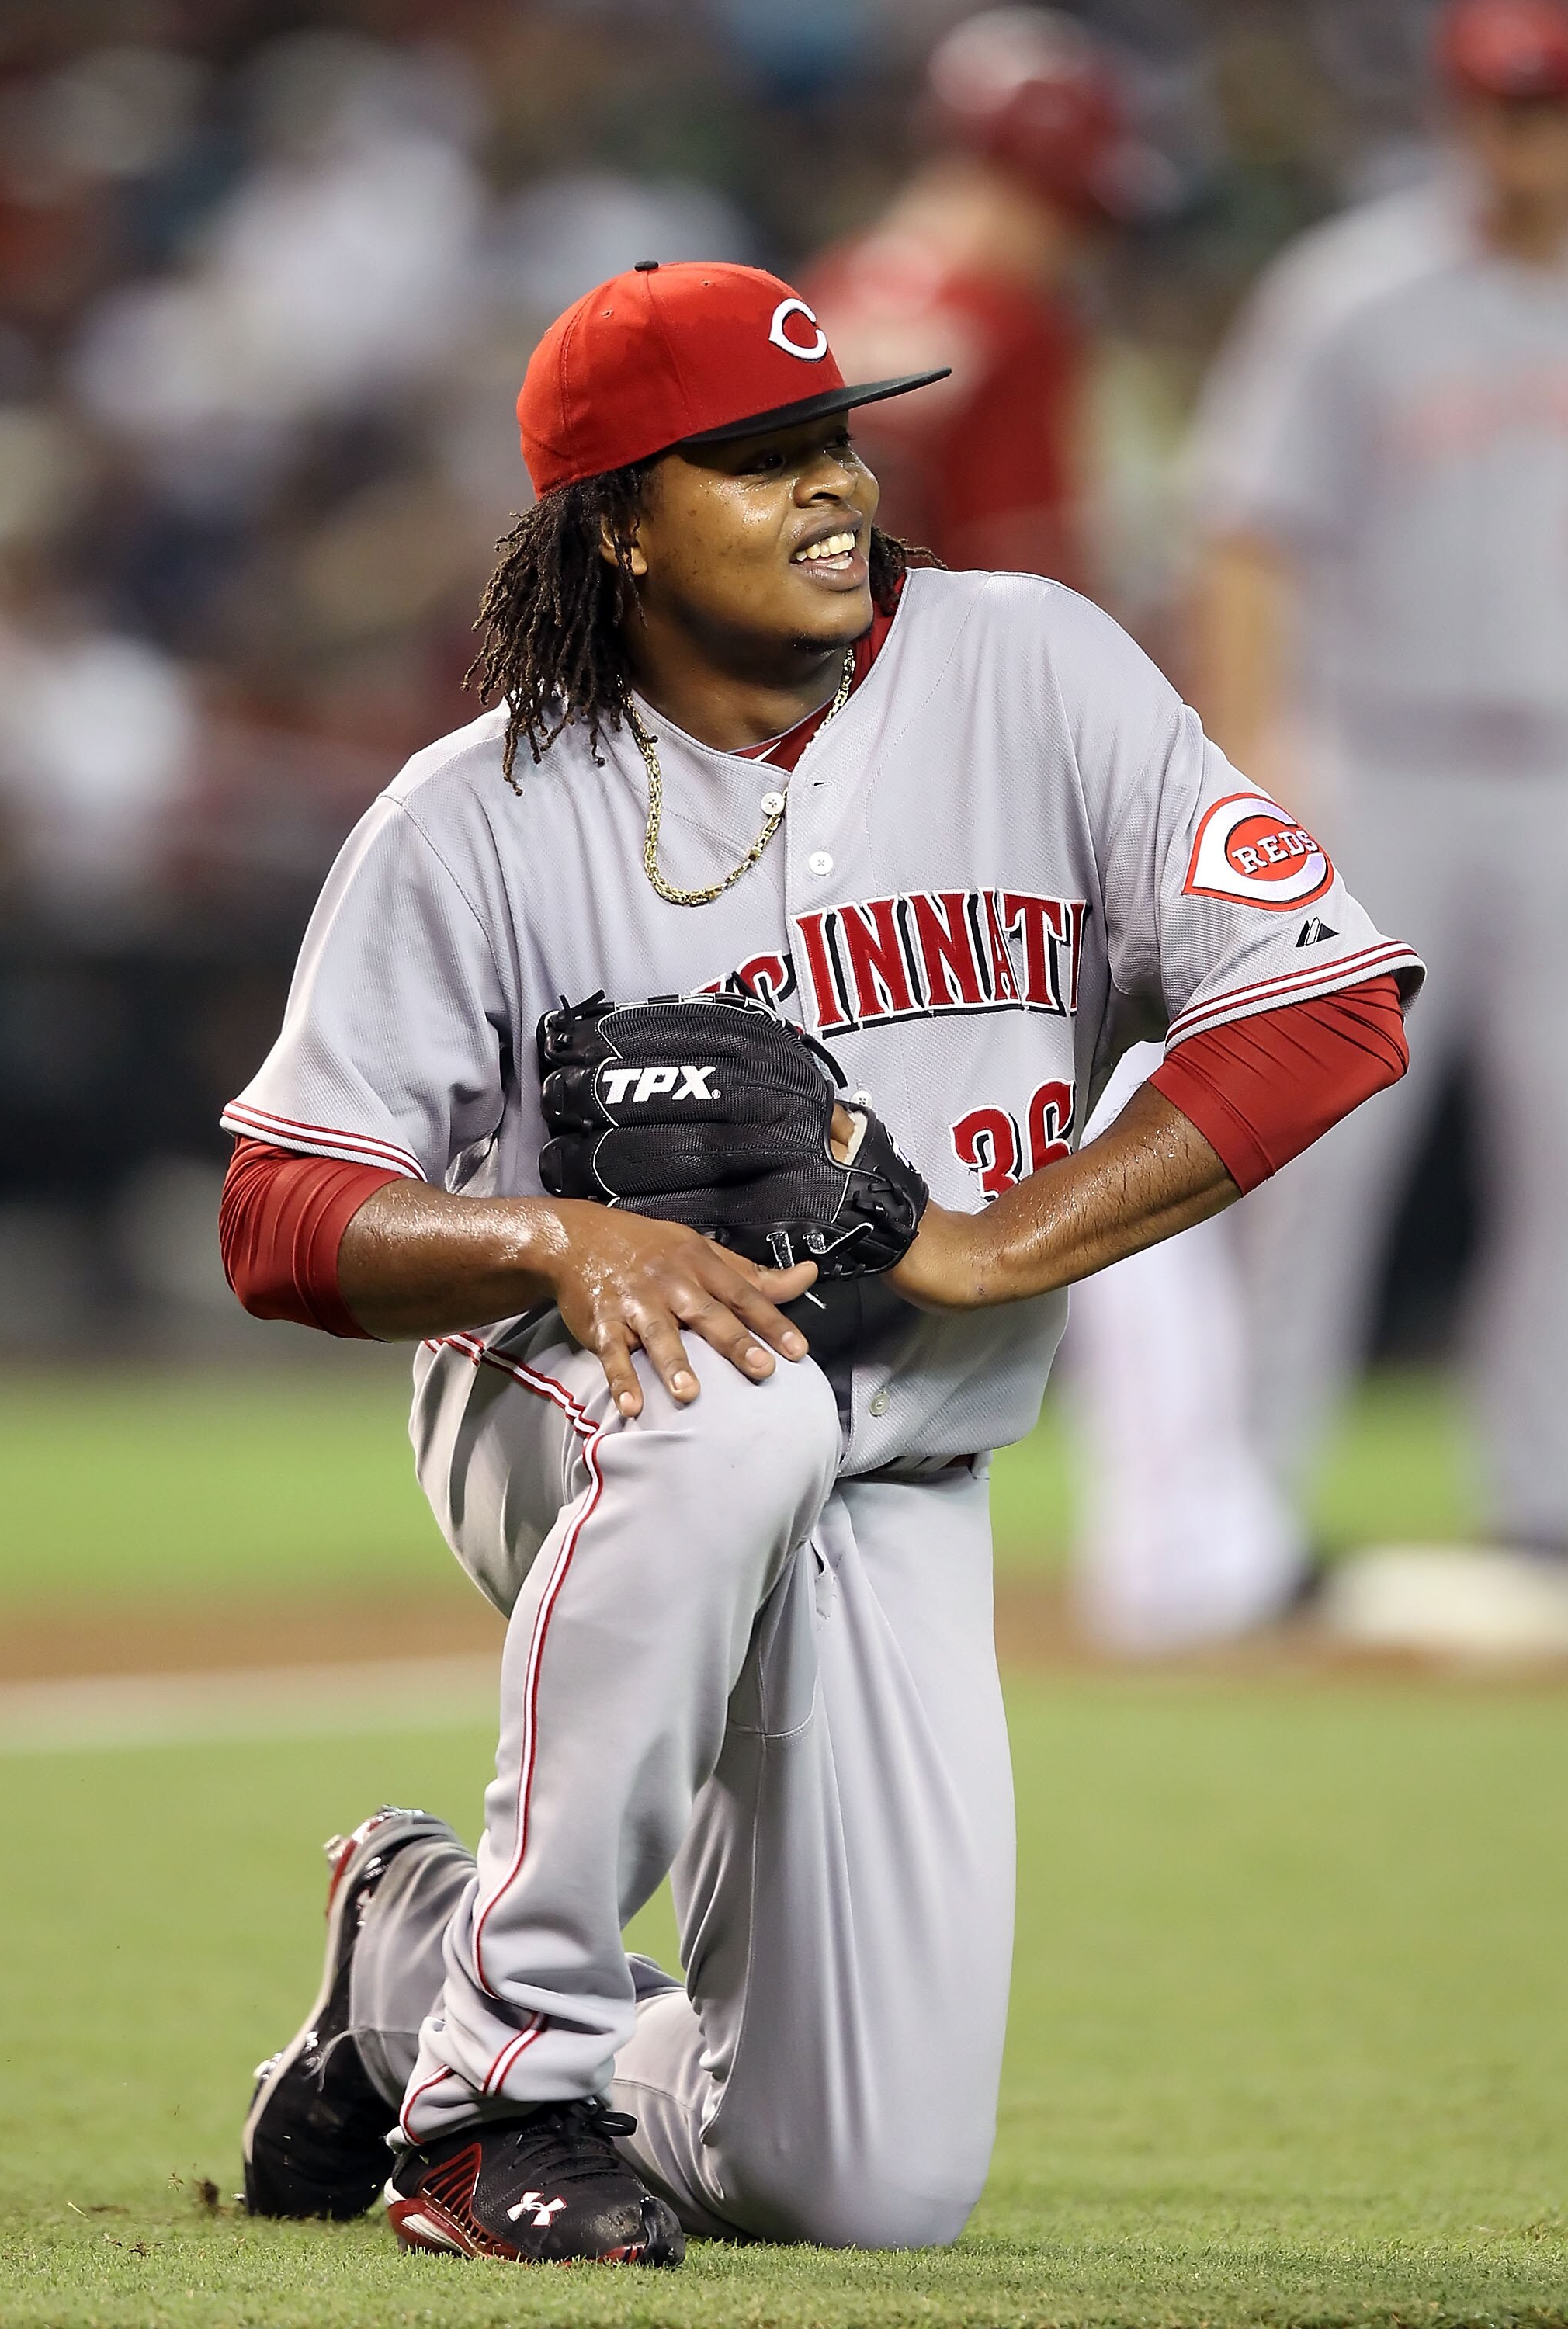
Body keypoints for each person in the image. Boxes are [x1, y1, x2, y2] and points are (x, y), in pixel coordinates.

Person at [218, 259, 1420, 2265]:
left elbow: (1328, 1004)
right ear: (614, 522)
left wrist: (988, 1243)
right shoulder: (478, 816)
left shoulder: (1030, 668)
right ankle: (492, 2097)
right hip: (580, 1395)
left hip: (906, 1454)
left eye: (837, 441)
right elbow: (278, 1212)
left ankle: (409, 1958)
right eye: (757, 462)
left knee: (855, 2182)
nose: (833, 490)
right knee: (733, 1399)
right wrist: (549, 1228)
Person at [810, 6, 1307, 1649]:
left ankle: (792, 1506)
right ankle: (1191, 1542)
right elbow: (1039, 597)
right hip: (981, 786)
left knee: (856, 1156)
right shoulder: (1009, 324)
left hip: (798, 787)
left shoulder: (826, 296)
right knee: (1122, 1130)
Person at [1189, 0, 1568, 1650]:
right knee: (1319, 1141)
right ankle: (1239, 1502)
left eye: (1546, 108)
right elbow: (1251, 537)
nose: (1524, 138)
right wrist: (1256, 763)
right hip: (1390, 760)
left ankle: (1547, 1501)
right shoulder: (1351, 293)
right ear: (1453, 111)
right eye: (1502, 108)